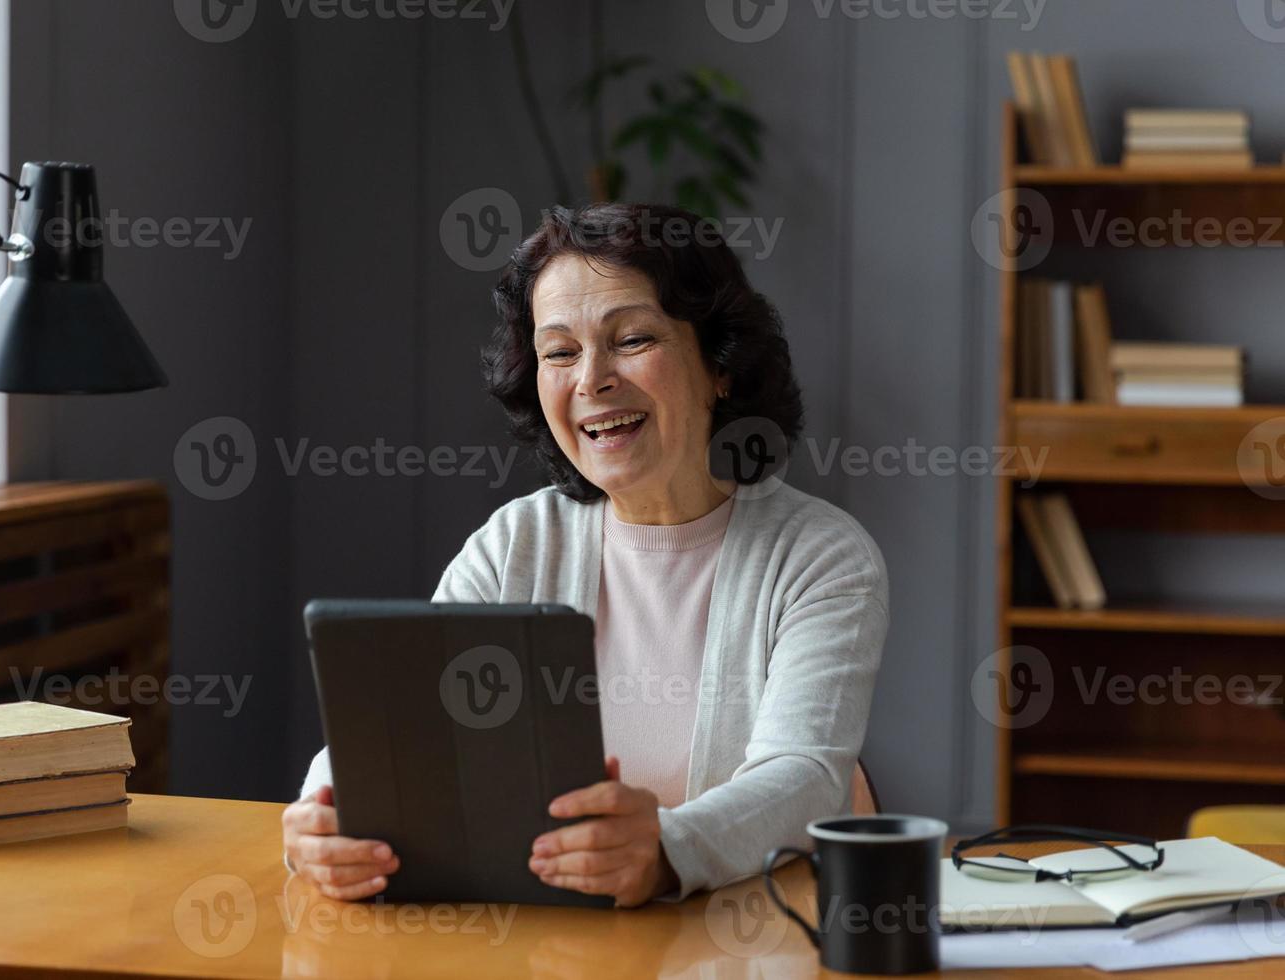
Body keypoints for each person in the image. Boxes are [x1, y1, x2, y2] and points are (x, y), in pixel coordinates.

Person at [283, 203, 888, 907]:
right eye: (560, 352)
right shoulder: (514, 544)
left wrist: (666, 850)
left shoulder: (821, 555)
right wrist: (324, 815)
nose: (590, 379)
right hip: (559, 947)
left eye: (631, 339)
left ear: (720, 365)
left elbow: (806, 774)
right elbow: (407, 729)